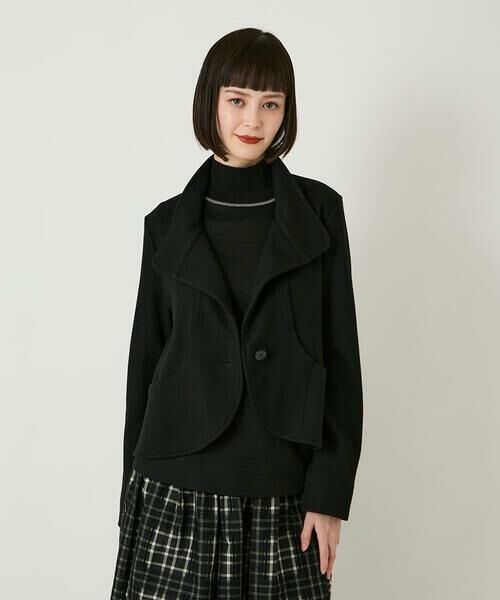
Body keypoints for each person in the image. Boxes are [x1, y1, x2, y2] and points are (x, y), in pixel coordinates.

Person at [110, 27, 363, 600]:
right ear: (211, 101)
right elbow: (145, 362)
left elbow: (341, 357)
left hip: (283, 493)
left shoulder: (319, 213)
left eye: (271, 103)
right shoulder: (165, 224)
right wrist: (130, 498)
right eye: (237, 99)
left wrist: (329, 493)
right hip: (173, 489)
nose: (253, 119)